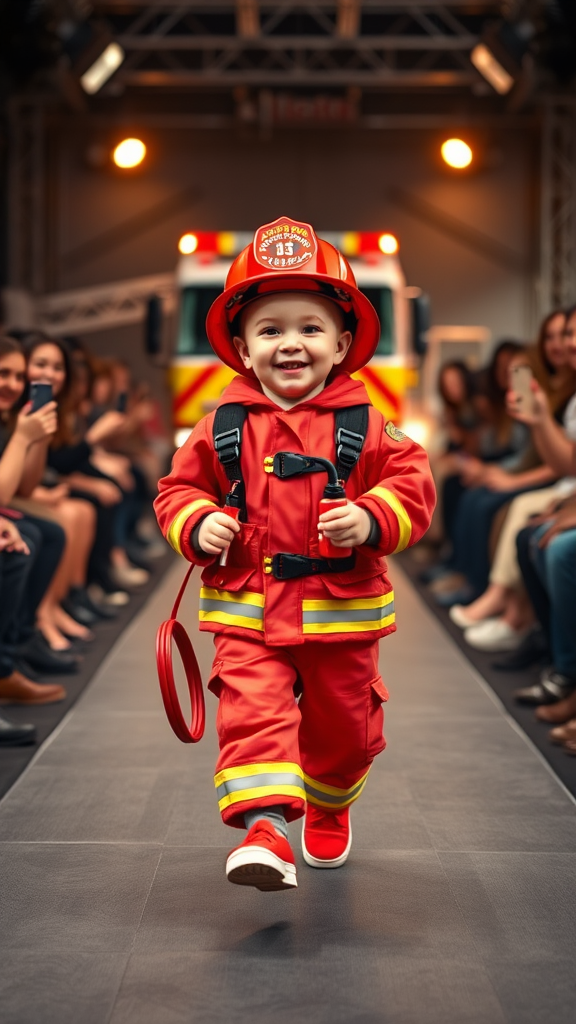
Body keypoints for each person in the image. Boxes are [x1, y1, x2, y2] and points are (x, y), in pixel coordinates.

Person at [155, 217, 435, 892]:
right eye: (270, 329)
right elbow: (177, 489)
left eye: (309, 329)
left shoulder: (369, 421)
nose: (291, 344)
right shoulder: (219, 423)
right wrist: (196, 523)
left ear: (341, 344)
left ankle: (330, 804)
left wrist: (370, 517)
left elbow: (414, 485)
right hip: (246, 610)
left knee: (344, 732)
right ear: (243, 350)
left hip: (343, 617)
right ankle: (264, 831)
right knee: (253, 713)